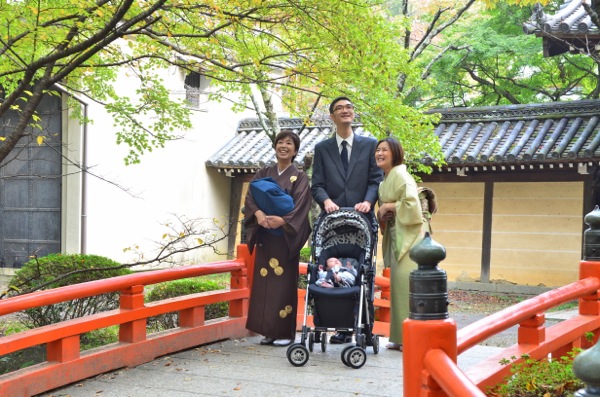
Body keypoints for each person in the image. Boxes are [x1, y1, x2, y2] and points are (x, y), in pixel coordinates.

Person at [311, 96, 383, 344]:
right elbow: (317, 184)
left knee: (363, 272)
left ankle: (364, 328)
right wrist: (326, 201)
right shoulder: (322, 149)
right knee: (332, 271)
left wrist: (368, 201)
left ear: (354, 113)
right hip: (332, 218)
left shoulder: (369, 145)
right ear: (331, 116)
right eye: (339, 108)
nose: (345, 111)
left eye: (349, 107)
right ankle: (338, 327)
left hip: (362, 217)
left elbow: (376, 180)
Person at [244, 131, 312, 347]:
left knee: (282, 284)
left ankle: (283, 332)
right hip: (265, 235)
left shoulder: (300, 177)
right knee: (264, 283)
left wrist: (283, 221)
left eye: (289, 143)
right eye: (280, 142)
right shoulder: (264, 172)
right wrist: (259, 215)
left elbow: (302, 204)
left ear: (295, 150)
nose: (284, 146)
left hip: (284, 238)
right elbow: (250, 196)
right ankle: (267, 331)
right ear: (275, 147)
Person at [375, 136, 426, 351]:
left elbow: (412, 205)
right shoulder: (385, 180)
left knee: (407, 285)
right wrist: (384, 214)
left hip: (410, 234)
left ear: (395, 153)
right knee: (397, 284)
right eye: (377, 150)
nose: (379, 153)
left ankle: (411, 337)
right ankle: (398, 335)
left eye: (384, 150)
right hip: (396, 232)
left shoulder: (401, 175)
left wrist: (389, 207)